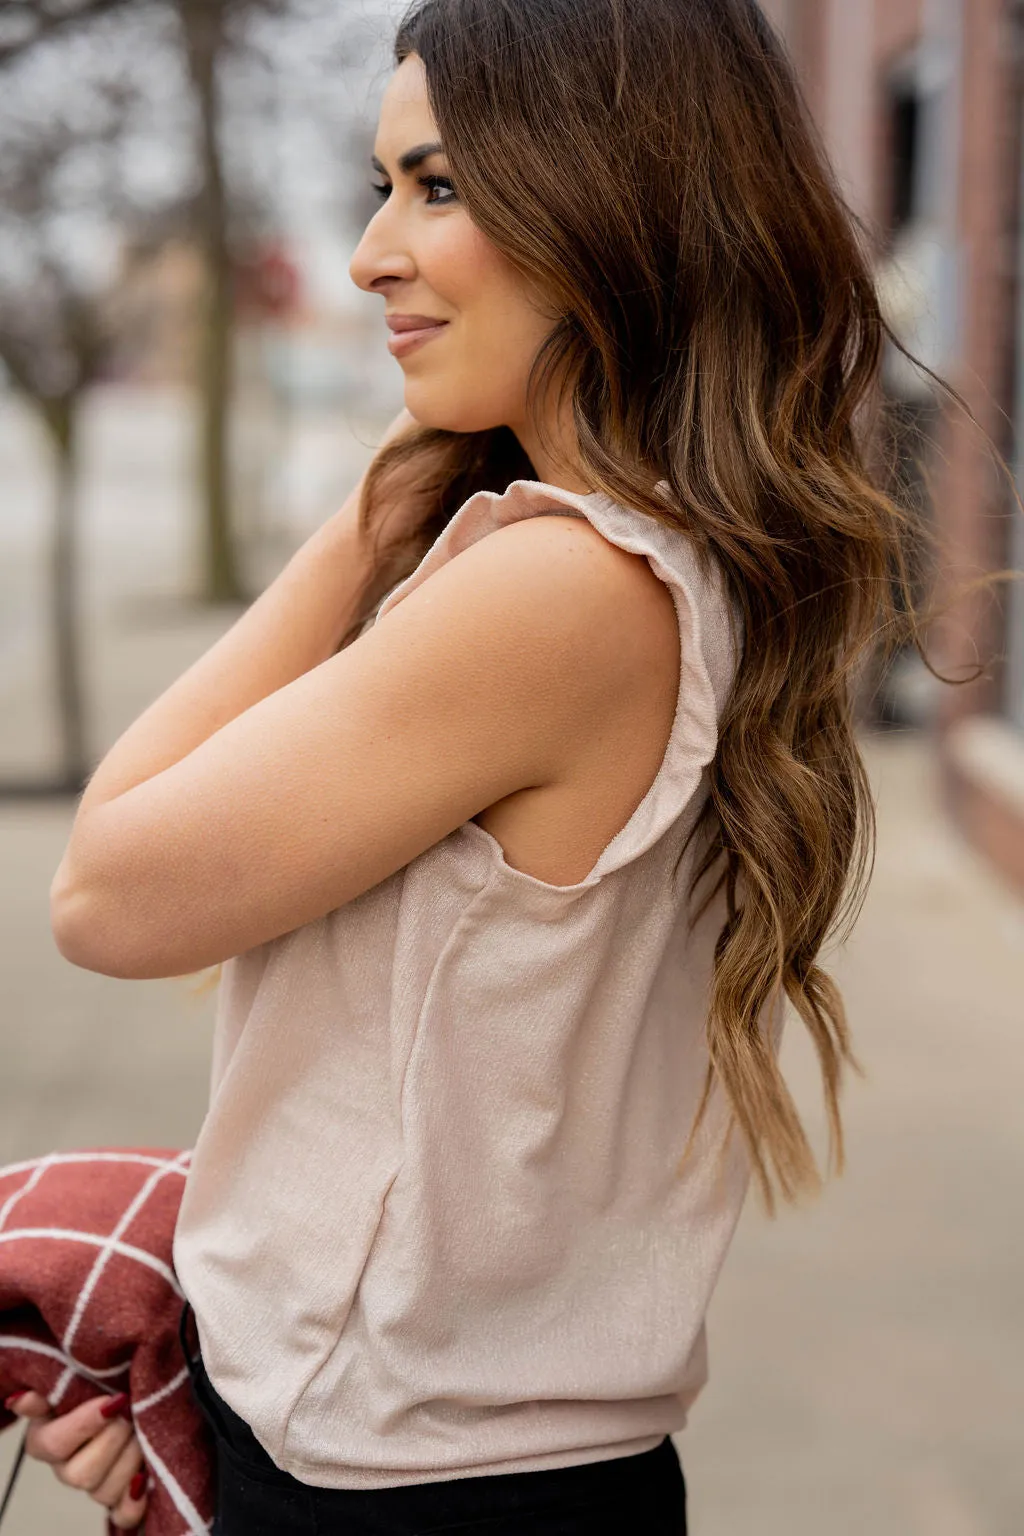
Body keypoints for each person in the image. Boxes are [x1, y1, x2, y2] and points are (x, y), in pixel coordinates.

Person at [9, 0, 929, 1530]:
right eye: (383, 187)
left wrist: (379, 504)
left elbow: (106, 892)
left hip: (408, 1484)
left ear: (609, 199)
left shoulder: (557, 589)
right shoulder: (692, 562)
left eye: (437, 187)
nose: (373, 253)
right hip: (468, 1462)